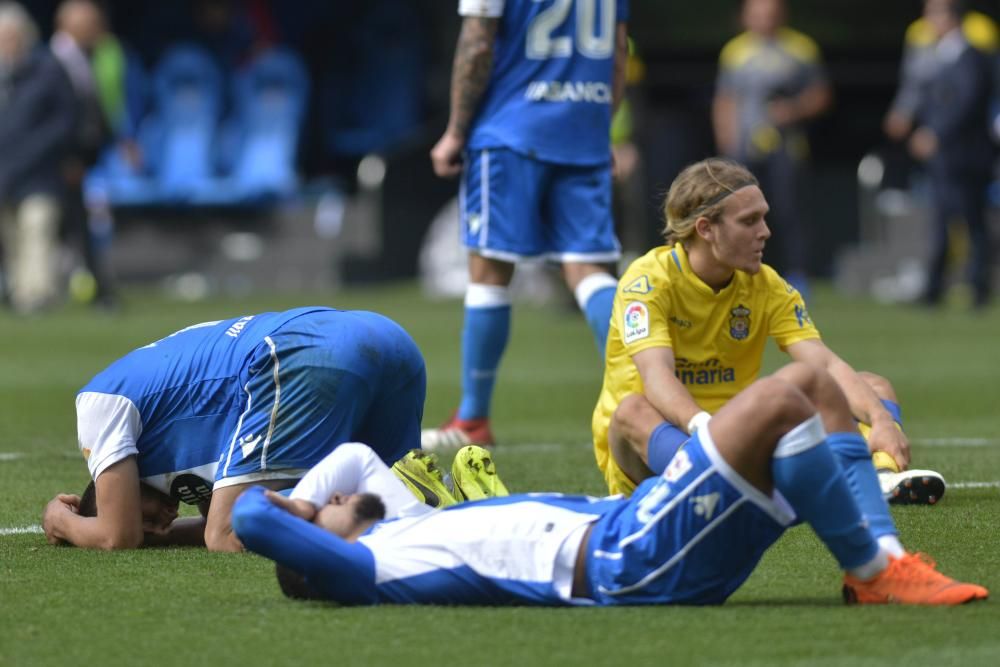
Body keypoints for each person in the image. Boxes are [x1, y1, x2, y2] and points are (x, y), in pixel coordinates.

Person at [233, 362, 988, 606]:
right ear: (316, 558)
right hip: (629, 556)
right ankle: (873, 567)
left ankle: (876, 566)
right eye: (317, 516)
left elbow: (360, 462)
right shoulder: (373, 567)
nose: (325, 500)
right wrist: (283, 508)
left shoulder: (395, 523)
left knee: (816, 387)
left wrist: (307, 503)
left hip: (637, 518)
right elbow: (257, 526)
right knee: (781, 401)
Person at [592, 157, 944, 505]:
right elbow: (656, 378)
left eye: (764, 217)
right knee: (631, 411)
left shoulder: (766, 285)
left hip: (740, 441)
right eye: (749, 221)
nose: (765, 231)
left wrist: (881, 419)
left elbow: (824, 365)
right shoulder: (647, 282)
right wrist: (707, 433)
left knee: (873, 388)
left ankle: (881, 479)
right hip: (659, 445)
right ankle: (717, 479)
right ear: (705, 229)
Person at [41, 306, 427, 552]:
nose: (164, 522)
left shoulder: (96, 404)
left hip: (299, 353)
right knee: (402, 509)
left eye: (146, 518)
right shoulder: (190, 441)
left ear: (115, 489)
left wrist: (60, 520)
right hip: (386, 336)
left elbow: (118, 536)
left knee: (224, 535)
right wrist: (161, 534)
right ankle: (430, 494)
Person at [423, 0, 630, 450]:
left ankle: (473, 418)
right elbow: (618, 52)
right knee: (589, 271)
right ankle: (643, 401)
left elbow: (477, 44)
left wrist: (456, 131)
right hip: (583, 130)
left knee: (489, 271)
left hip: (510, 131)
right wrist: (599, 127)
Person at [711, 0, 832, 296]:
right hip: (745, 149)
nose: (764, 20)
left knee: (790, 211)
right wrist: (726, 141)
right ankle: (739, 274)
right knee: (739, 213)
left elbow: (821, 95)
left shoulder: (801, 48)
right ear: (745, 17)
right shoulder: (735, 52)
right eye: (757, 14)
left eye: (770, 14)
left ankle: (797, 276)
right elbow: (725, 100)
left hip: (786, 146)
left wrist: (793, 110)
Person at [897, 0, 995, 309]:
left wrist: (934, 133)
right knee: (941, 220)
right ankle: (935, 288)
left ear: (952, 18)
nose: (928, 21)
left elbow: (965, 104)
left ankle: (977, 287)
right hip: (944, 156)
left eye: (934, 14)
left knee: (971, 221)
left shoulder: (971, 57)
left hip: (965, 155)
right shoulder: (937, 56)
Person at [0, 2, 79, 314]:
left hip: (40, 172)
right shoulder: (4, 77)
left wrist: (34, 152)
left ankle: (38, 296)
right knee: (13, 238)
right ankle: (21, 294)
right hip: (6, 174)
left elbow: (65, 121)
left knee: (37, 230)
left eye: (10, 37)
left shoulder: (47, 70)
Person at [50, 0, 117, 309]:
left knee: (77, 225)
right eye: (92, 23)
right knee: (71, 226)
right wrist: (68, 157)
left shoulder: (85, 57)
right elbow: (57, 116)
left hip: (83, 158)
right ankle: (99, 291)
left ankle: (98, 289)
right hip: (63, 161)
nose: (98, 29)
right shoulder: (53, 61)